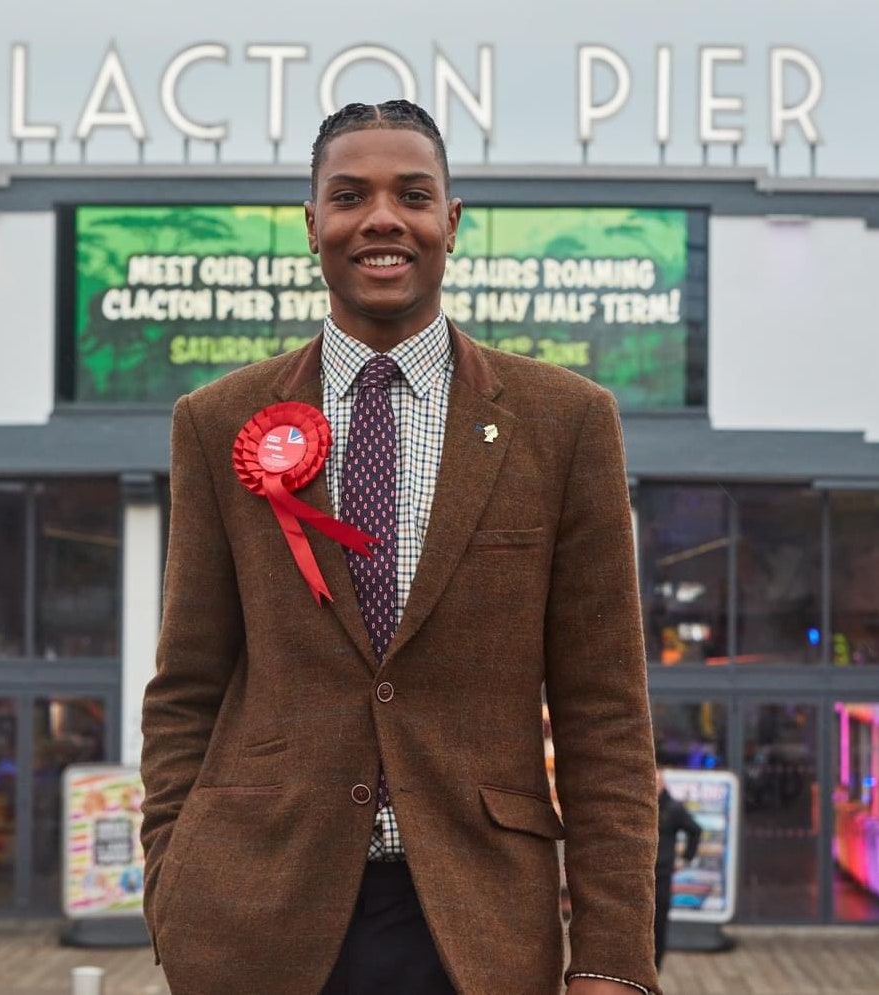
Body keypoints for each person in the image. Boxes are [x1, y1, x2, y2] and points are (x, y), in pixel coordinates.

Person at [140, 100, 661, 995]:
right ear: (313, 226)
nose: (381, 218)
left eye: (411, 194)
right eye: (349, 195)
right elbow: (186, 685)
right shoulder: (217, 422)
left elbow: (604, 715)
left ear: (450, 223)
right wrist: (169, 883)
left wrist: (613, 959)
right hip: (253, 924)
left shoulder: (566, 423)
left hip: (479, 930)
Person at [654, 770, 703, 970]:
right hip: (640, 876)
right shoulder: (640, 807)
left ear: (663, 784)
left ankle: (656, 966)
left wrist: (685, 858)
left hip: (662, 874)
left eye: (657, 782)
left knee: (659, 923)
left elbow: (695, 830)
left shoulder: (672, 808)